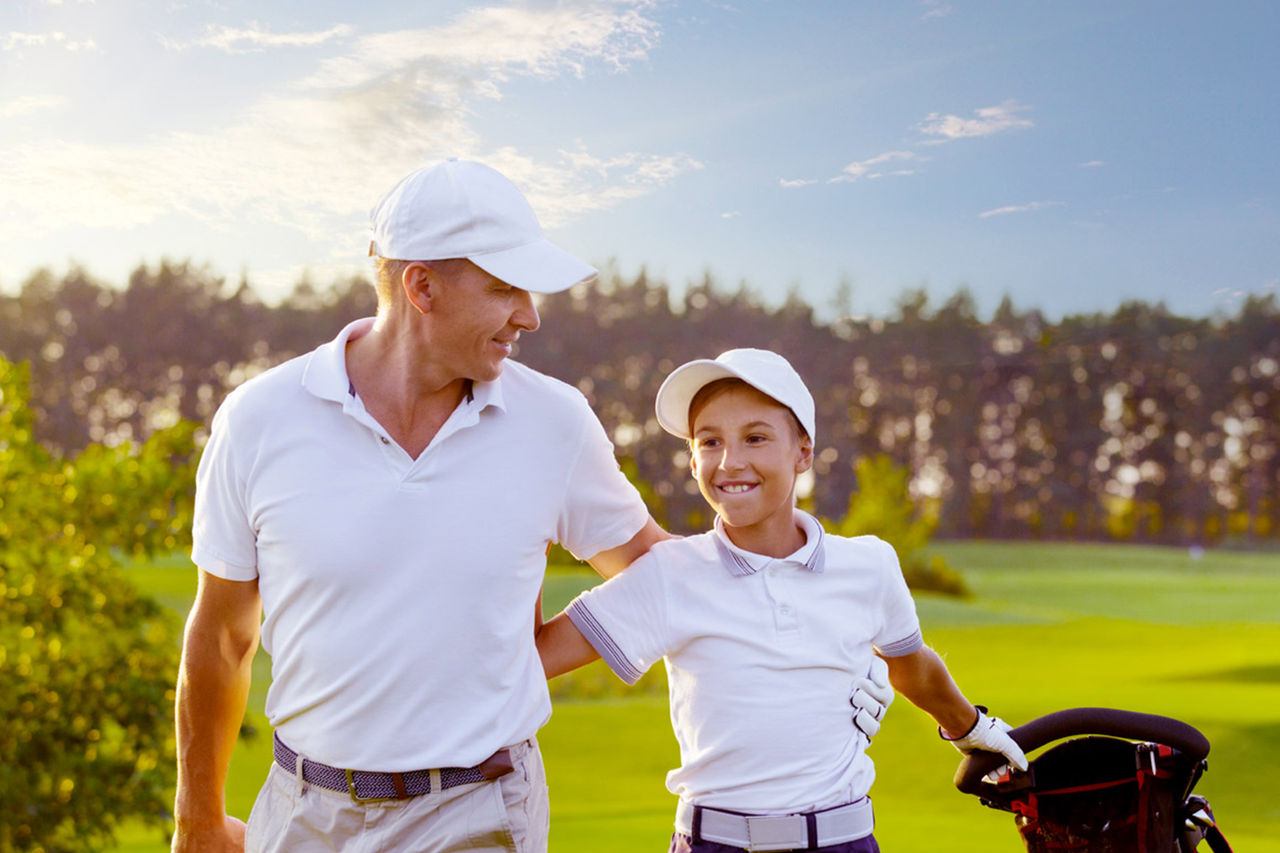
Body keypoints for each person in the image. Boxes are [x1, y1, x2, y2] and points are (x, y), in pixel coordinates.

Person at [171, 158, 671, 853]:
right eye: (504, 289)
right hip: (302, 816)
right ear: (422, 286)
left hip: (482, 808)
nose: (528, 315)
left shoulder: (554, 421)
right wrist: (196, 819)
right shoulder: (258, 419)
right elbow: (222, 636)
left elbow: (659, 572)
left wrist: (537, 655)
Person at [536, 348, 1028, 853]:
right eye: (709, 442)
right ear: (692, 460)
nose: (730, 462)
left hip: (845, 841)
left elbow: (911, 667)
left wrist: (972, 728)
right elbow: (535, 656)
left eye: (755, 437)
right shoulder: (670, 573)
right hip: (712, 844)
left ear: (804, 453)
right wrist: (526, 536)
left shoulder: (869, 565)